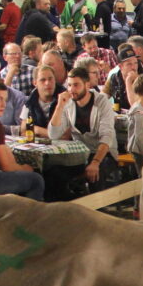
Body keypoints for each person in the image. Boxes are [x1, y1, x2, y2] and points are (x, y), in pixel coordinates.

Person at [47, 66, 117, 194]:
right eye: (69, 85)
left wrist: (95, 162)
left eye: (76, 85)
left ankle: (97, 210)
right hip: (80, 154)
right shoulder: (68, 103)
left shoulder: (102, 102)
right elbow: (53, 134)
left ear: (87, 85)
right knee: (52, 172)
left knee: (96, 174)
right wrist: (59, 106)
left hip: (103, 153)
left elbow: (107, 136)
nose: (71, 90)